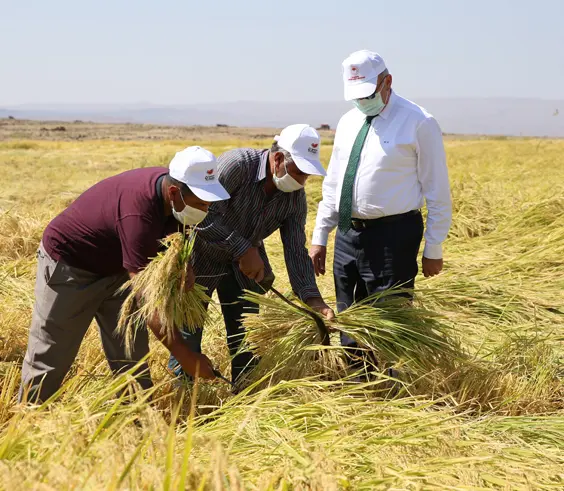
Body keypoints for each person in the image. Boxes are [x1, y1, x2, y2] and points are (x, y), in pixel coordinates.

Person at [19, 146, 230, 403]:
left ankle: (136, 427)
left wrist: (184, 267)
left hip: (119, 269)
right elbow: (148, 302)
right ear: (174, 192)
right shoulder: (138, 213)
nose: (205, 210)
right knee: (52, 354)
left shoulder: (177, 197)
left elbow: (176, 236)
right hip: (71, 267)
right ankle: (28, 419)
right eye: (200, 203)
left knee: (131, 355)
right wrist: (186, 356)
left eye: (208, 203)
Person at [310, 50, 452, 371]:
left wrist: (434, 247)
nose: (363, 102)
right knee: (349, 314)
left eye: (368, 94)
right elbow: (334, 182)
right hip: (348, 233)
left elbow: (437, 191)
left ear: (387, 81)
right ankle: (359, 383)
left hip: (394, 236)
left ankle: (392, 387)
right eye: (356, 97)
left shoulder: (419, 122)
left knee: (389, 317)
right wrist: (321, 235)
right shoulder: (348, 122)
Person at [168, 124, 335, 386]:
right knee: (188, 332)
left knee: (247, 337)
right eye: (299, 172)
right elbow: (202, 214)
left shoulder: (294, 198)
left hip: (246, 269)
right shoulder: (237, 166)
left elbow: (294, 249)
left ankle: (245, 397)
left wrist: (312, 298)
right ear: (278, 159)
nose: (302, 182)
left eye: (307, 176)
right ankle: (181, 398)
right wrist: (243, 249)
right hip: (201, 259)